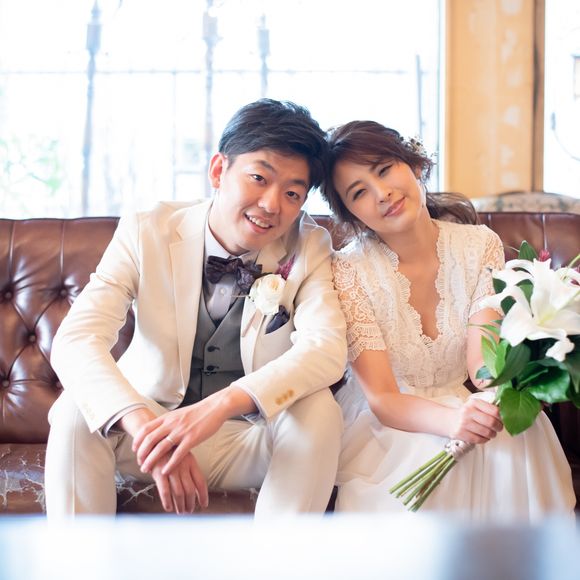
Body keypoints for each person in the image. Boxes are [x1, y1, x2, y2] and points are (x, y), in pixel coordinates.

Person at [45, 99, 347, 517]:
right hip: (150, 433)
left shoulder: (309, 246)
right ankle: (80, 555)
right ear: (219, 170)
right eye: (259, 178)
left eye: (292, 193)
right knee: (74, 408)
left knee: (319, 409)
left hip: (249, 439)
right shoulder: (147, 229)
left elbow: (326, 349)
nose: (272, 204)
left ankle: (280, 552)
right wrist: (146, 427)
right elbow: (76, 340)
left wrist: (217, 408)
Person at [321, 120, 575, 521]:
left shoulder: (480, 245)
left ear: (414, 165)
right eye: (359, 192)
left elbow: (481, 365)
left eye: (384, 170)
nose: (382, 193)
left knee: (515, 436)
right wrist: (453, 421)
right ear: (350, 213)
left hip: (461, 400)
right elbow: (384, 399)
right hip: (388, 422)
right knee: (436, 457)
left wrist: (523, 377)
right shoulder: (348, 270)